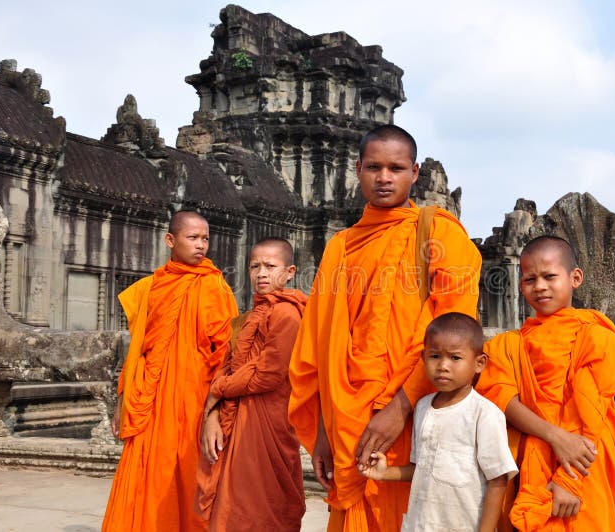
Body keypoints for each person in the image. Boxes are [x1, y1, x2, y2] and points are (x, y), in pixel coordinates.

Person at [288, 124, 482, 531]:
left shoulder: (439, 234)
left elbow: (456, 335)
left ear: (414, 173)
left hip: (419, 413)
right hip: (346, 420)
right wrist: (323, 431)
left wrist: (398, 408)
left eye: (396, 168)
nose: (384, 178)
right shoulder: (341, 246)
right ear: (357, 169)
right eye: (374, 167)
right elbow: (320, 345)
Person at [476, 235, 615, 531]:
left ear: (575, 278)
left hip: (584, 467)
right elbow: (501, 399)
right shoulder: (508, 346)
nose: (540, 286)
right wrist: (555, 437)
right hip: (529, 469)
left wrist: (568, 479)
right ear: (520, 286)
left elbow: (590, 417)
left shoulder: (596, 336)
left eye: (549, 276)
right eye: (529, 279)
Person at [102, 210, 238, 532]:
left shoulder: (215, 286)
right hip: (154, 400)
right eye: (193, 238)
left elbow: (227, 355)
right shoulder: (151, 287)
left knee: (192, 477)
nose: (201, 245)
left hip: (195, 402)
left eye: (205, 238)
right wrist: (122, 399)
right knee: (149, 475)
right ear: (170, 240)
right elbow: (137, 351)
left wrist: (216, 412)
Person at [359, 312, 518, 532]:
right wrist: (384, 473)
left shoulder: (484, 414)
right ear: (423, 359)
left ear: (479, 363)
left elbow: (498, 479)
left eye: (455, 358)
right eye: (435, 356)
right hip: (421, 525)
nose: (443, 365)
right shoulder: (423, 408)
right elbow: (422, 468)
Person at [195, 237, 307, 531]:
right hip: (239, 419)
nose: (262, 274)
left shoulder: (288, 314)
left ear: (290, 271)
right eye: (254, 266)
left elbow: (267, 376)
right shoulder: (247, 318)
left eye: (271, 266)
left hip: (269, 422)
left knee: (261, 509)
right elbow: (228, 365)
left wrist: (217, 392)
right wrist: (213, 414)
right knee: (232, 506)